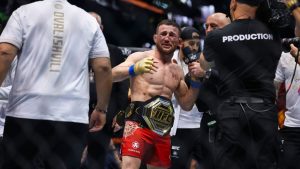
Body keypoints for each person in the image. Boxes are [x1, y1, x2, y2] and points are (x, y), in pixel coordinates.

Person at [0, 0, 112, 169]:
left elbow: (5, 52)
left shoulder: (24, 12)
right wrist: (101, 108)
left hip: (25, 112)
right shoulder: (88, 20)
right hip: (71, 116)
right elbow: (103, 67)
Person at [112, 19, 204, 169]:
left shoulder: (177, 71)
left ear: (179, 41)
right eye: (163, 34)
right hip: (137, 126)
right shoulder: (140, 57)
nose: (167, 38)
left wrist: (196, 82)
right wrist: (133, 69)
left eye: (172, 35)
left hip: (162, 131)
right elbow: (111, 75)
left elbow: (187, 104)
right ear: (155, 38)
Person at [203, 0, 282, 169]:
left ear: (233, 4)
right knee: (265, 163)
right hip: (264, 110)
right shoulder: (272, 31)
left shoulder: (217, 36)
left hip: (231, 110)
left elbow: (204, 64)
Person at [81, 11, 128, 169]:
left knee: (97, 160)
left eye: (94, 25)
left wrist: (118, 113)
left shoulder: (114, 52)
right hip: (76, 111)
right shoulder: (74, 49)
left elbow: (122, 87)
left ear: (101, 28)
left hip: (104, 113)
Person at [169, 26, 204, 169]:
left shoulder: (203, 62)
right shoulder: (169, 60)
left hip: (200, 125)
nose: (195, 47)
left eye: (197, 43)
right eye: (191, 43)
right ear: (180, 42)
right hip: (177, 126)